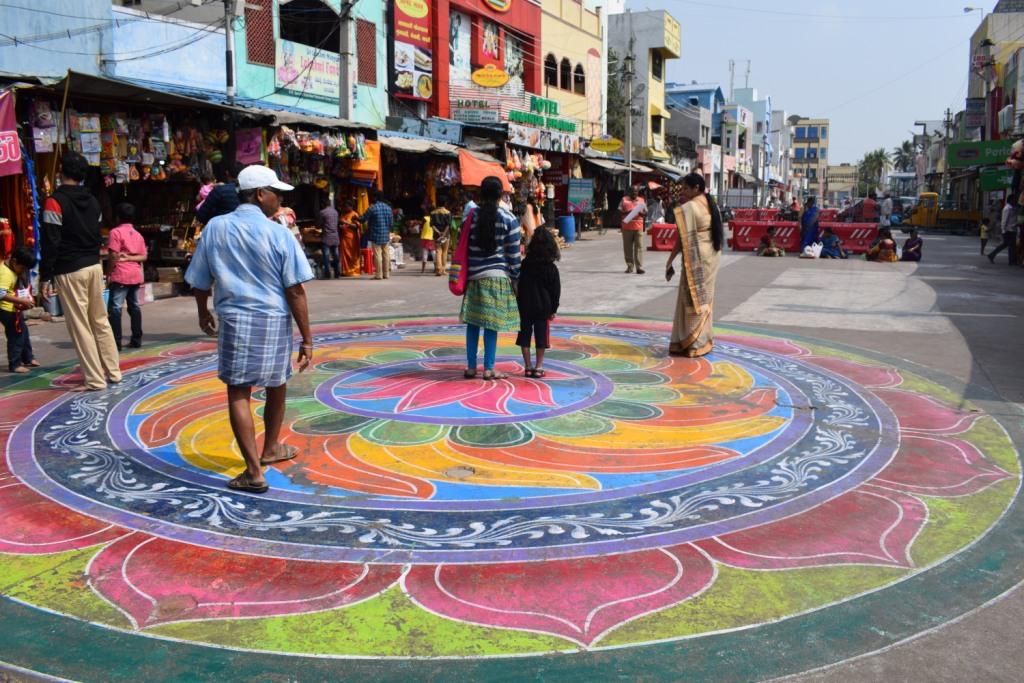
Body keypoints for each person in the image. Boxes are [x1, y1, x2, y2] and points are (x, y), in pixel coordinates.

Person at [184, 164, 314, 494]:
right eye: (276, 193)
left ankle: (256, 468)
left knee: (239, 391)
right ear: (259, 194)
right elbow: (295, 289)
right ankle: (267, 451)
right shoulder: (279, 233)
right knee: (276, 383)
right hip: (273, 319)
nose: (280, 200)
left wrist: (203, 312)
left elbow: (200, 279)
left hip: (236, 321)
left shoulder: (214, 229)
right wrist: (308, 339)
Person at [40, 152, 122, 392]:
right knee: (100, 321)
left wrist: (46, 275)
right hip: (93, 265)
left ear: (61, 172)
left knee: (80, 326)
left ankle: (95, 379)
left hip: (70, 268)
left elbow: (51, 241)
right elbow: (96, 233)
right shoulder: (94, 201)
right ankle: (113, 372)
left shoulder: (54, 201)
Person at [461, 176, 521, 380]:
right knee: (491, 325)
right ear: (501, 195)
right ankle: (489, 368)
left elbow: (463, 247)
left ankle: (470, 367)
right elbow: (514, 255)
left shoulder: (470, 217)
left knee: (473, 323)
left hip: (474, 278)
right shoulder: (509, 219)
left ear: (481, 193)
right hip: (497, 278)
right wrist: (516, 278)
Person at [665, 173, 723, 357]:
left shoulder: (689, 207)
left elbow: (682, 239)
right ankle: (703, 340)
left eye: (685, 188)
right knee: (705, 298)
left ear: (696, 188)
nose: (682, 191)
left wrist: (670, 259)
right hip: (712, 255)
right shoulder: (711, 203)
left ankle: (692, 342)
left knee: (691, 298)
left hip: (696, 257)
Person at [516, 227, 560, 378]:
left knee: (524, 336)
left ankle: (528, 366)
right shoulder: (551, 268)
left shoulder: (525, 265)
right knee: (541, 338)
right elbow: (555, 291)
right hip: (543, 308)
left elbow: (519, 286)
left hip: (525, 306)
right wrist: (553, 309)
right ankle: (539, 367)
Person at [106, 203, 147, 350]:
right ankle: (136, 339)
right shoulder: (138, 234)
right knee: (134, 307)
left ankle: (116, 343)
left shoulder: (115, 232)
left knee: (115, 309)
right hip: (135, 275)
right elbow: (144, 256)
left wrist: (108, 273)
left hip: (121, 274)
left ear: (117, 217)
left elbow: (113, 255)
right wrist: (131, 258)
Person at [0, 247, 40, 374]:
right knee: (16, 336)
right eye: (22, 268)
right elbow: (1, 294)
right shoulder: (5, 273)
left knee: (23, 331)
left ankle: (28, 358)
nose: (24, 271)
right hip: (6, 309)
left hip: (13, 308)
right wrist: (21, 301)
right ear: (14, 261)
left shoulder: (13, 270)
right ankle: (15, 364)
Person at [361, 192, 394, 280]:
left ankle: (378, 275)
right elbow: (391, 223)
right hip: (385, 234)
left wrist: (356, 218)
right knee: (386, 254)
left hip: (375, 234)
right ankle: (386, 274)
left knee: (377, 255)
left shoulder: (372, 208)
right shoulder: (388, 208)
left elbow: (363, 219)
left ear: (375, 197)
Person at [619, 188, 647, 274]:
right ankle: (630, 266)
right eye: (633, 192)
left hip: (638, 227)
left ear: (638, 192)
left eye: (636, 192)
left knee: (639, 247)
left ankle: (639, 267)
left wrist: (641, 214)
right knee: (628, 248)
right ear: (629, 192)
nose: (634, 193)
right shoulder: (624, 200)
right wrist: (629, 212)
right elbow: (619, 212)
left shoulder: (642, 200)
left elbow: (645, 213)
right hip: (627, 227)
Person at [988, 197, 1018, 265]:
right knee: (1010, 245)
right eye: (1014, 200)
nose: (1015, 201)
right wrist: (1003, 230)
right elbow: (1004, 220)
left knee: (1008, 245)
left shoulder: (1012, 208)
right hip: (1008, 230)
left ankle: (992, 255)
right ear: (1010, 200)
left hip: (1012, 229)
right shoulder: (1007, 208)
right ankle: (1011, 261)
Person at [318, 197, 340, 279]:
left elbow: (319, 224)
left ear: (323, 204)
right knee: (336, 256)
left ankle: (328, 274)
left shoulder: (322, 212)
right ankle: (337, 273)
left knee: (326, 256)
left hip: (326, 236)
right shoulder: (335, 212)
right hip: (335, 236)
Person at [338, 200, 361, 277]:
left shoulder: (354, 214)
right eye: (344, 207)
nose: (345, 208)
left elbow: (356, 226)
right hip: (344, 238)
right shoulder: (343, 214)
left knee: (352, 255)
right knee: (345, 255)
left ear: (351, 207)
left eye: (346, 207)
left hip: (352, 238)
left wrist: (346, 223)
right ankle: (346, 271)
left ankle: (354, 270)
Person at [430, 205, 452, 276]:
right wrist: (444, 233)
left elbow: (432, 225)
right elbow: (448, 225)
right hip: (446, 235)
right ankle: (443, 270)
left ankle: (438, 269)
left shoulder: (432, 213)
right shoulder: (448, 212)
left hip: (437, 236)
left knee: (438, 251)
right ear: (445, 203)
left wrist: (438, 232)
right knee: (445, 252)